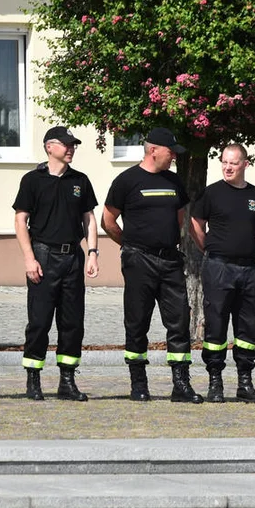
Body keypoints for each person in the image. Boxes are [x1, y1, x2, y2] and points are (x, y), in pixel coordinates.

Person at [102, 127, 201, 403]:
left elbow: (180, 218)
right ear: (153, 150)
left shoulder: (174, 181)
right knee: (137, 322)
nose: (173, 158)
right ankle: (139, 383)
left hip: (170, 259)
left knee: (179, 321)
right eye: (171, 152)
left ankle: (181, 384)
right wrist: (130, 245)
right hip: (139, 259)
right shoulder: (127, 181)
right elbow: (108, 221)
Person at [13, 126, 100, 401]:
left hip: (72, 256)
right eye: (66, 144)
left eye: (73, 144)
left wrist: (93, 252)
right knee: (39, 321)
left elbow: (89, 219)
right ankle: (33, 379)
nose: (71, 148)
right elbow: (20, 220)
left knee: (72, 322)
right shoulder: (32, 180)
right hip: (43, 255)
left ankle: (67, 380)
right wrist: (29, 258)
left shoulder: (80, 180)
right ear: (50, 147)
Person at [188, 144, 255, 404]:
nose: (228, 167)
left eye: (233, 162)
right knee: (216, 325)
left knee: (247, 327)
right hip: (218, 268)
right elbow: (196, 227)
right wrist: (213, 250)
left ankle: (245, 384)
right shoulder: (211, 193)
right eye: (224, 161)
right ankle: (215, 382)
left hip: (248, 269)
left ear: (245, 164)